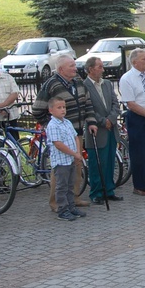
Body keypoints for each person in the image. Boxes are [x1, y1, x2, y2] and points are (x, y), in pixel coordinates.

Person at [32, 55, 96, 210]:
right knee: (61, 169)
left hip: (76, 132)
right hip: (61, 135)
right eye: (71, 66)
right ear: (61, 69)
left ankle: (74, 197)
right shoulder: (51, 84)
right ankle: (56, 202)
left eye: (74, 65)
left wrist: (92, 121)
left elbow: (87, 102)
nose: (75, 68)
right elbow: (38, 109)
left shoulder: (78, 81)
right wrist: (52, 124)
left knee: (76, 164)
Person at [119, 48, 145, 196]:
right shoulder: (127, 78)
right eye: (144, 59)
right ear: (134, 61)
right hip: (137, 117)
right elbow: (130, 103)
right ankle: (140, 186)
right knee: (139, 153)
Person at [82, 57, 124, 205]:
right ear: (91, 69)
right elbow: (88, 109)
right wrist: (102, 121)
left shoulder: (107, 84)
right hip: (96, 131)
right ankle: (96, 192)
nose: (103, 69)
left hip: (110, 129)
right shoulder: (84, 86)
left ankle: (109, 190)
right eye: (100, 67)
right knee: (96, 163)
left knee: (110, 162)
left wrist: (111, 119)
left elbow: (115, 103)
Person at [46, 96, 87, 222]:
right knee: (62, 186)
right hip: (61, 161)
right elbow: (58, 144)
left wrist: (77, 152)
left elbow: (76, 137)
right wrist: (74, 154)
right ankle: (62, 209)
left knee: (70, 185)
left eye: (64, 107)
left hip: (71, 160)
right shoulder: (53, 125)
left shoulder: (67, 122)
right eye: (59, 107)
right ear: (51, 110)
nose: (63, 110)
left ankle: (71, 206)